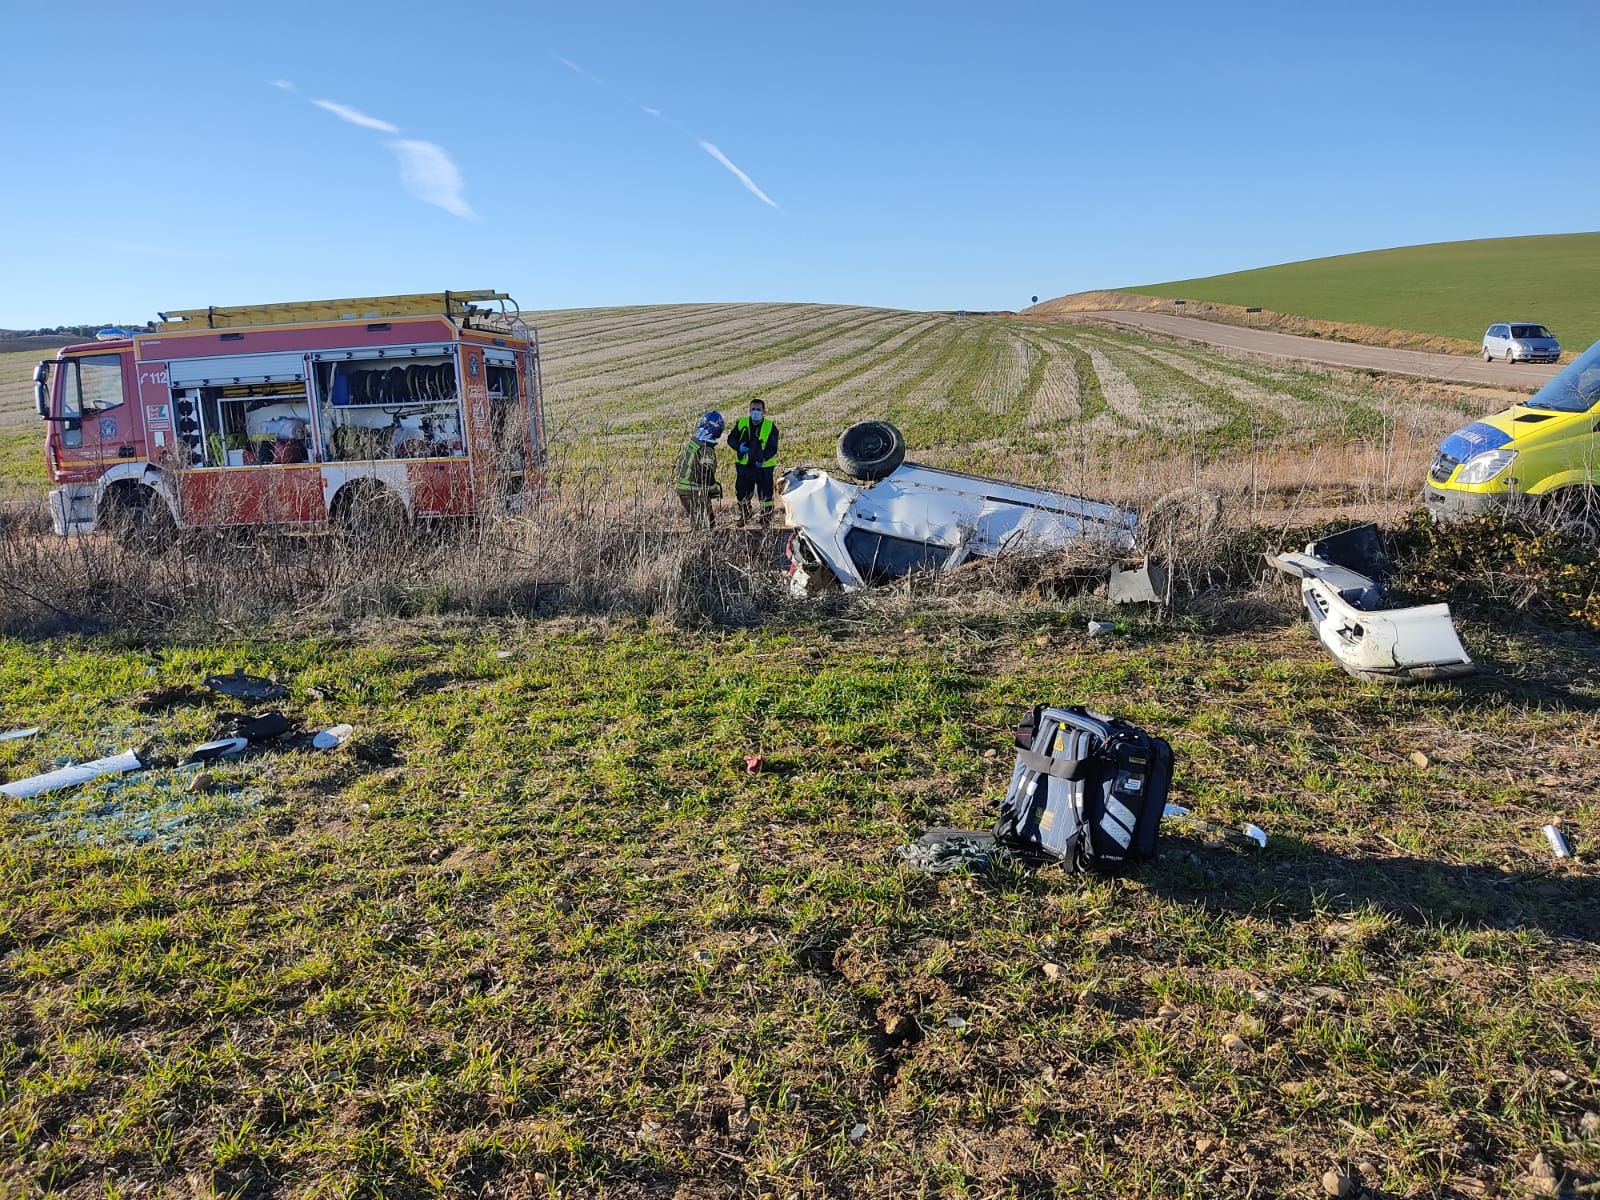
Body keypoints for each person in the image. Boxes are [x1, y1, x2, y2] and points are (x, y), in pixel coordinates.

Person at [727, 396, 779, 527]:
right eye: (753, 409)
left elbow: (772, 447)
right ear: (749, 410)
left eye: (758, 409)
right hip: (745, 466)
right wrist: (738, 447)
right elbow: (731, 439)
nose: (756, 412)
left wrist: (763, 458)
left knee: (766, 496)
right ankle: (745, 515)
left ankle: (766, 520)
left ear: (764, 412)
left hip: (764, 467)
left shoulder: (770, 426)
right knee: (741, 493)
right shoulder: (742, 423)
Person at [675, 411, 725, 529]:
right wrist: (714, 488)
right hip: (695, 491)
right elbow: (706, 473)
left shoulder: (692, 443)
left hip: (683, 489)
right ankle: (703, 539)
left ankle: (695, 537)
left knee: (697, 521)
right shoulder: (706, 449)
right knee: (706, 525)